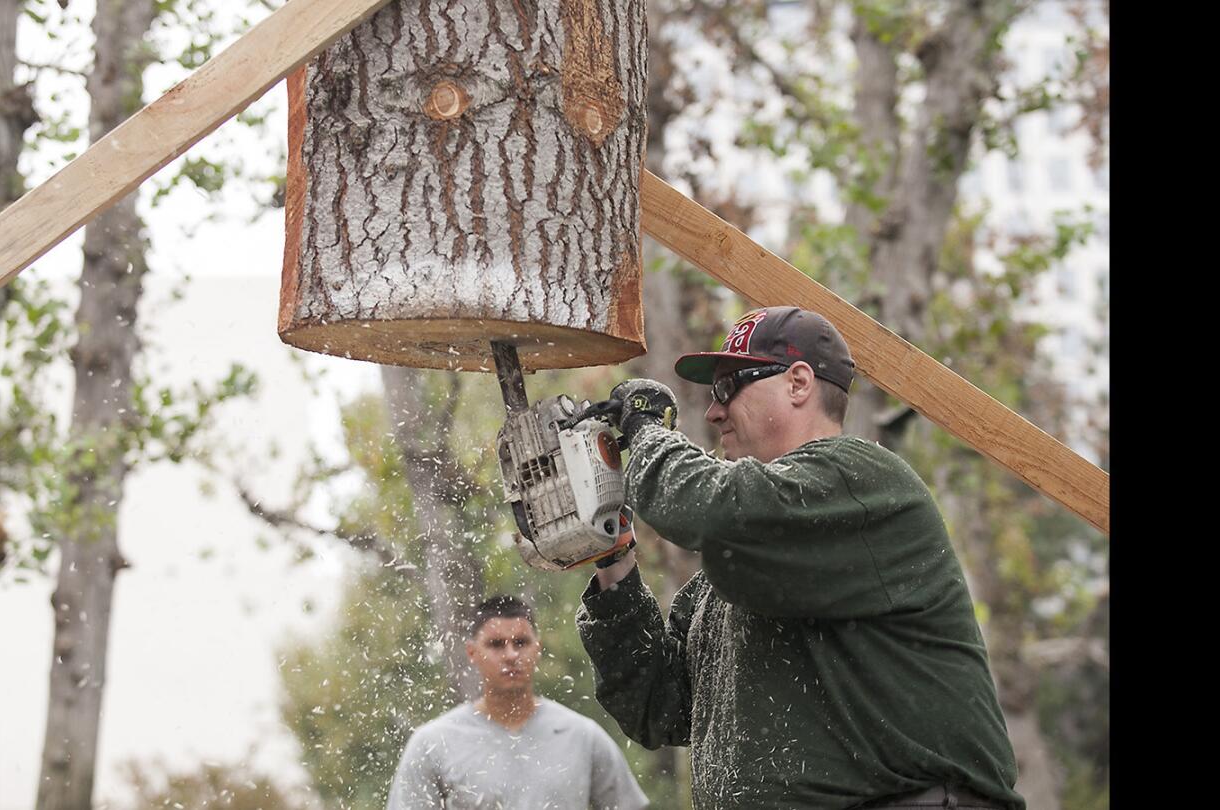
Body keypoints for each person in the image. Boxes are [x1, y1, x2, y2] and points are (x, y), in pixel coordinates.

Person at [574, 306, 1025, 809]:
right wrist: (612, 551)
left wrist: (645, 433)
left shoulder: (861, 481)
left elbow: (707, 507)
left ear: (798, 382)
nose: (713, 411)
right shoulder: (743, 559)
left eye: (728, 387)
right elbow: (661, 708)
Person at [387, 595, 650, 810]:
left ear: (537, 648)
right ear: (472, 653)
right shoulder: (433, 744)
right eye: (496, 644)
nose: (511, 654)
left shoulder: (582, 737)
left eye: (521, 642)